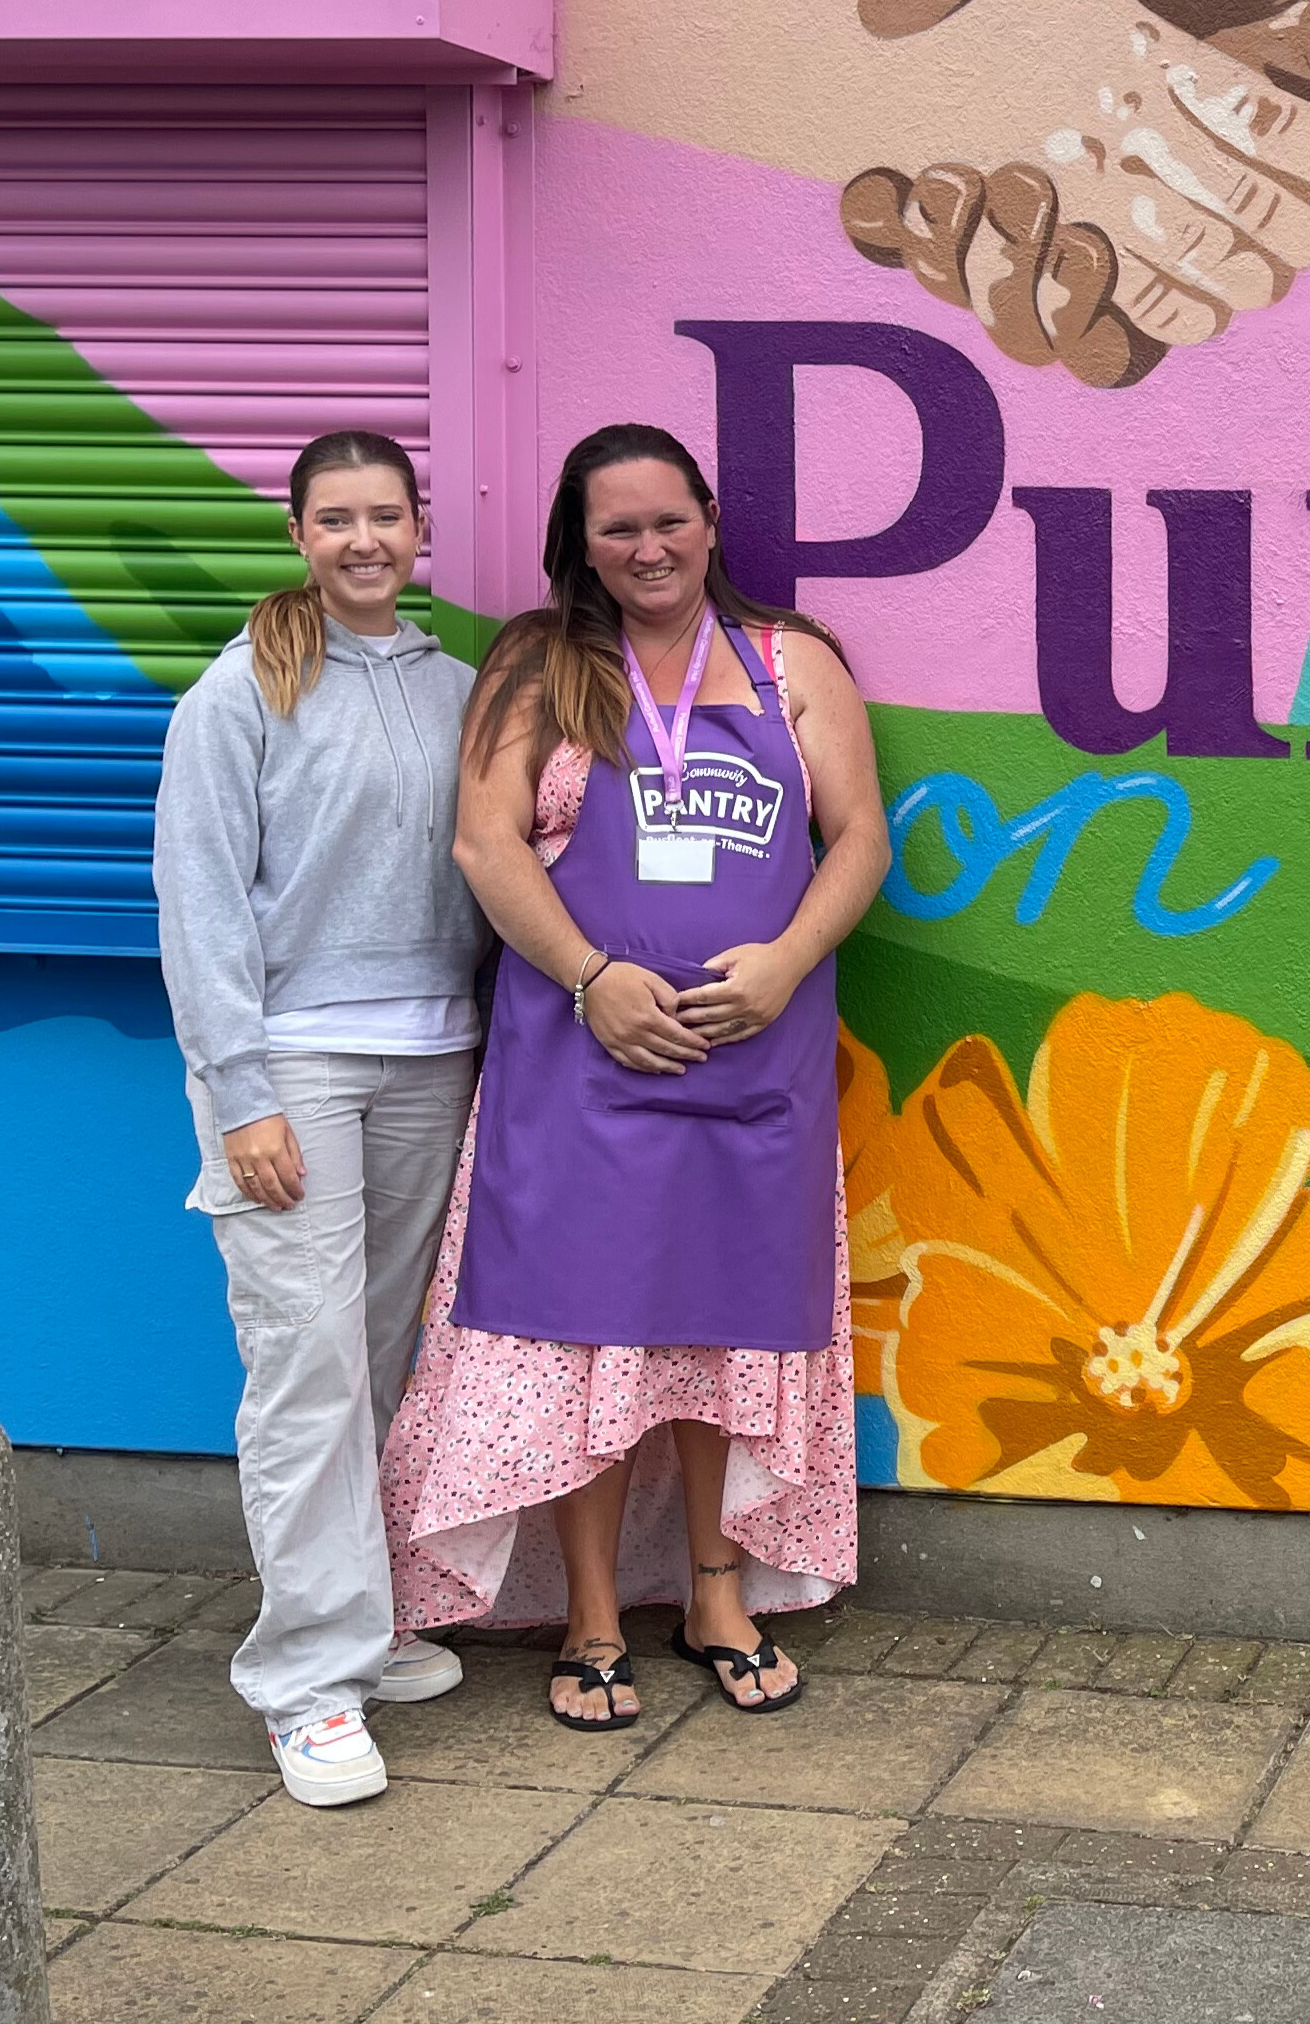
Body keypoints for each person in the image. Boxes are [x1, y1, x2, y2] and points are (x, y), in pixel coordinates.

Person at [377, 424, 888, 1729]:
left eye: (669, 520)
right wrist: (591, 976)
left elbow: (859, 837)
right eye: (618, 528)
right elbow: (485, 843)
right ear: (580, 542)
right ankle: (593, 1612)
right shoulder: (540, 665)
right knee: (586, 1337)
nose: (647, 547)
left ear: (710, 520)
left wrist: (782, 961)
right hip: (580, 1068)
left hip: (753, 1066)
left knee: (724, 1331)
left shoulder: (793, 663)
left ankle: (719, 1590)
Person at [154, 431, 488, 1807]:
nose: (362, 538)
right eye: (334, 518)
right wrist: (240, 1095)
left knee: (377, 1351)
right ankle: (305, 1678)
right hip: (292, 1070)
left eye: (385, 516)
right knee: (302, 1365)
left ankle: (365, 1617)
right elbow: (200, 902)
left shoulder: (465, 688)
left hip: (435, 1057)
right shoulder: (239, 692)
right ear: (300, 534)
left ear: (421, 533)